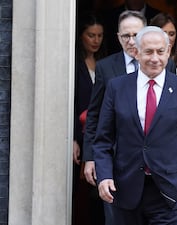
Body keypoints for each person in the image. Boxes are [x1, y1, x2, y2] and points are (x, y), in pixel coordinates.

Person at [93, 25, 177, 225]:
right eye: (148, 52)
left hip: (168, 190)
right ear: (137, 53)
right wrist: (104, 176)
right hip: (124, 188)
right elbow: (103, 139)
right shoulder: (117, 87)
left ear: (168, 53)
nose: (155, 58)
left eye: (160, 51)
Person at [82, 10, 176, 225]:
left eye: (136, 34)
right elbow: (94, 114)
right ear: (118, 37)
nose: (132, 41)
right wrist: (90, 156)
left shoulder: (164, 64)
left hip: (155, 164)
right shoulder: (106, 67)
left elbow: (175, 110)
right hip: (116, 160)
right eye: (126, 36)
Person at [73, 13, 107, 225]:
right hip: (79, 131)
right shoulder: (72, 63)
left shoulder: (107, 62)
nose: (96, 40)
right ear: (81, 36)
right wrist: (74, 138)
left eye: (100, 35)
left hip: (102, 133)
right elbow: (71, 103)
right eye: (91, 35)